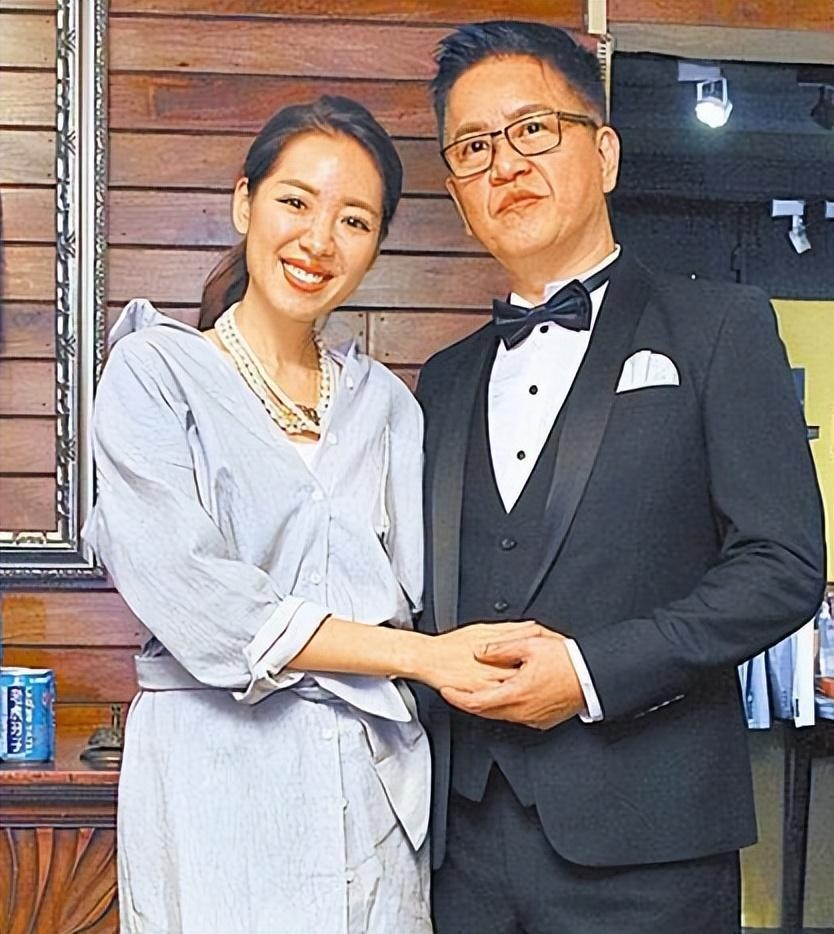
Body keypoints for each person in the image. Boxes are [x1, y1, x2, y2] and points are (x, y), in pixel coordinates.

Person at [415, 21, 827, 934]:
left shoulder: (721, 327)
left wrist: (589, 672)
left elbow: (784, 565)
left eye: (533, 130)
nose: (505, 165)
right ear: (457, 195)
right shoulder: (441, 381)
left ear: (603, 153)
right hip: (460, 845)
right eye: (474, 148)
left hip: (653, 844)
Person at [82, 95, 529, 934]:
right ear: (244, 202)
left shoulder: (388, 406)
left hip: (370, 785)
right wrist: (421, 658)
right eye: (295, 201)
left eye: (354, 220)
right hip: (216, 781)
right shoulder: (154, 374)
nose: (319, 240)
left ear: (376, 246)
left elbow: (426, 592)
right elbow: (204, 605)